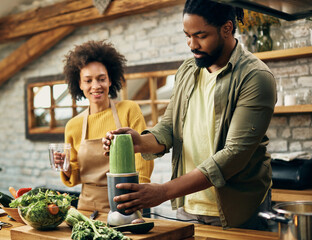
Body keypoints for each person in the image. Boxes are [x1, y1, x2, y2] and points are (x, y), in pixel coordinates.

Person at [103, 0, 276, 230]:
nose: (191, 44)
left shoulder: (255, 77)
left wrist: (163, 191)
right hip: (189, 208)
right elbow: (169, 128)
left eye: (200, 35)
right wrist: (139, 142)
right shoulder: (188, 69)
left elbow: (233, 155)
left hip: (238, 211)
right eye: (187, 35)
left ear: (226, 29)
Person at [60, 40, 154, 213]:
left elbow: (143, 155)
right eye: (88, 80)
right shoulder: (73, 125)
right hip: (87, 207)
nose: (95, 86)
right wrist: (65, 167)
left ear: (110, 80)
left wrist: (138, 194)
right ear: (80, 85)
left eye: (101, 79)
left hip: (126, 202)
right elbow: (75, 175)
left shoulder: (129, 110)